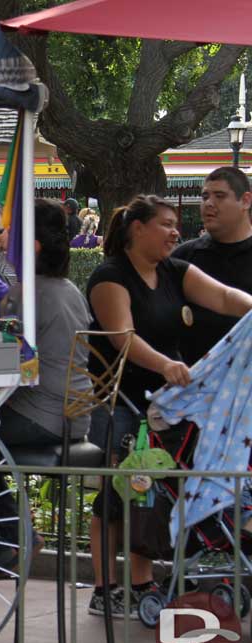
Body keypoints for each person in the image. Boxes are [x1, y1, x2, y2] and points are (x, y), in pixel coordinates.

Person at [84, 194, 252, 617]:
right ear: (136, 229)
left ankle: (142, 583)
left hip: (169, 407)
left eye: (177, 224)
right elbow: (123, 337)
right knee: (115, 497)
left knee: (151, 495)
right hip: (121, 401)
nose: (176, 232)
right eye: (166, 223)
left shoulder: (175, 270)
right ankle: (105, 590)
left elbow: (229, 298)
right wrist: (166, 364)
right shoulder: (109, 277)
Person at [173, 166, 252, 365]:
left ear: (245, 201)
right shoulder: (183, 257)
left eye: (219, 196)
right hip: (190, 382)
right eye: (205, 196)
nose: (209, 203)